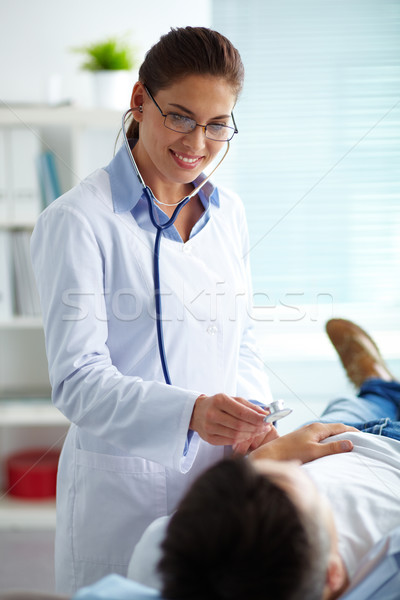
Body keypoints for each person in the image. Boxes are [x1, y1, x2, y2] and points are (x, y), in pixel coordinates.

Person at [30, 26, 295, 593]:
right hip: (121, 492)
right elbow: (77, 382)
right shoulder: (78, 220)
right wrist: (190, 414)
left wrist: (251, 420)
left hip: (219, 483)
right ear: (139, 101)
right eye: (179, 116)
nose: (197, 142)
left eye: (217, 124)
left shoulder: (230, 213)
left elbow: (240, 339)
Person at [124, 318, 400, 600]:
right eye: (310, 485)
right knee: (367, 407)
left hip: (322, 440)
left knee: (356, 406)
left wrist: (275, 453)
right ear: (333, 573)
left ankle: (377, 383)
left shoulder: (170, 563)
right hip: (391, 450)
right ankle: (382, 385)